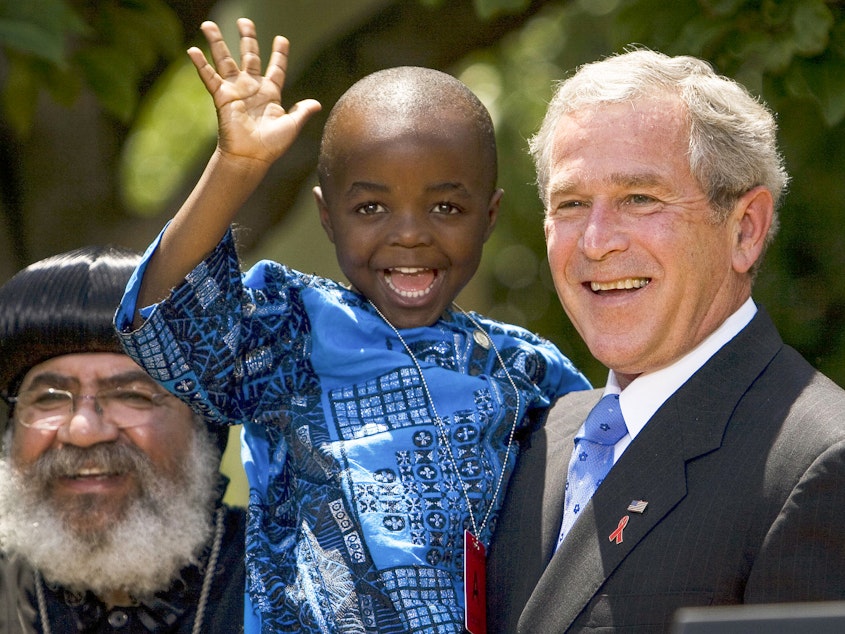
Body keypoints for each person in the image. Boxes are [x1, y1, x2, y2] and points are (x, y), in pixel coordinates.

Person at [113, 17, 589, 634]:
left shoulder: (528, 370)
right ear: (327, 217)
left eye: (447, 207)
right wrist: (236, 166)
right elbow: (167, 328)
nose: (410, 232)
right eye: (371, 207)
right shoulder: (294, 331)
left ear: (489, 216)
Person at [485, 48, 845, 633]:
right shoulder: (536, 440)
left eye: (640, 198)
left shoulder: (818, 462)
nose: (597, 241)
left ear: (745, 229)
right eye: (572, 204)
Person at [0, 246, 246, 634]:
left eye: (131, 395)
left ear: (206, 430)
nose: (82, 430)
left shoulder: (298, 580)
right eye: (48, 398)